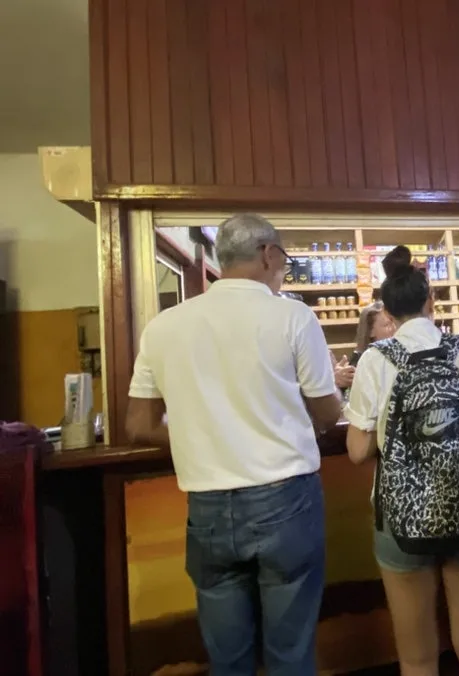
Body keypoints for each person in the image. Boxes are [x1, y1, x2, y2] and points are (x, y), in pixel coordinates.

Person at [125, 213, 342, 676]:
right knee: (289, 653)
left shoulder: (164, 325)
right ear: (268, 255)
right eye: (283, 261)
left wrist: (203, 430)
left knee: (227, 660)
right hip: (286, 500)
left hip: (206, 508)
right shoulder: (292, 316)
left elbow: (139, 424)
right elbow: (328, 413)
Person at [344, 246, 459, 676]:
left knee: (417, 655)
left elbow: (356, 451)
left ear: (387, 312)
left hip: (401, 518)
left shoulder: (375, 360)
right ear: (431, 300)